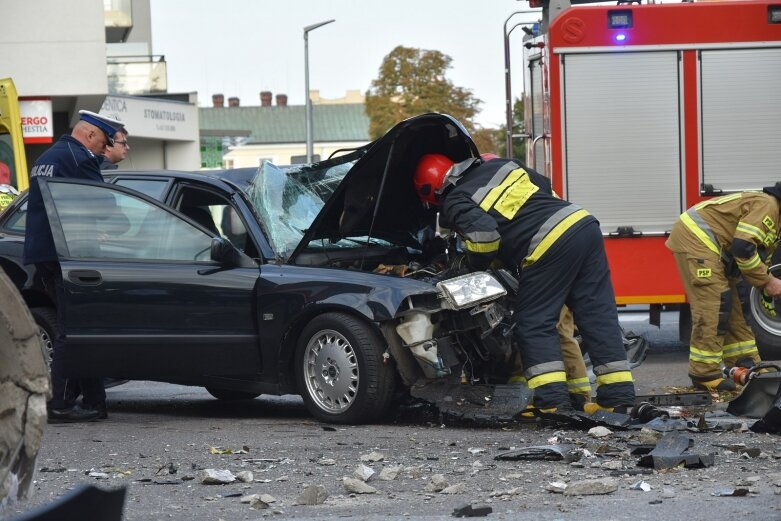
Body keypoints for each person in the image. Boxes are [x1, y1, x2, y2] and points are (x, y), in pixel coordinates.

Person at [414, 153, 636, 415]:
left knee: (533, 322)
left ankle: (552, 402)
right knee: (597, 315)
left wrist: (469, 267)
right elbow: (542, 189)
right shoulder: (500, 165)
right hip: (582, 224)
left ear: (432, 191)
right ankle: (618, 398)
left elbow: (484, 238)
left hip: (548, 243)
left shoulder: (455, 199)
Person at [24, 109, 126, 423]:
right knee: (74, 330)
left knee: (84, 326)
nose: (104, 150)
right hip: (68, 255)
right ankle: (56, 403)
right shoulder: (80, 158)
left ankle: (95, 401)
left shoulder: (49, 155)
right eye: (104, 142)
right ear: (90, 135)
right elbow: (103, 204)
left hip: (46, 251)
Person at [665, 185, 781, 391]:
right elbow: (743, 248)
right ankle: (704, 374)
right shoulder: (769, 206)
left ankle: (744, 363)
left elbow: (759, 255)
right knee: (714, 304)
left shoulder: (776, 216)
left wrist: (766, 286)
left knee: (737, 304)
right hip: (696, 239)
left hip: (717, 247)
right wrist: (768, 282)